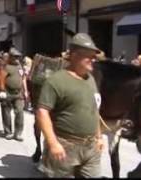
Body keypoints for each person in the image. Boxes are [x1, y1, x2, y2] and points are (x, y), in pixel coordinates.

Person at [36, 33, 104, 178]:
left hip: (91, 148)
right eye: (89, 56)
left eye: (94, 57)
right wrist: (53, 143)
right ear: (74, 55)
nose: (93, 60)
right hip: (65, 147)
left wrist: (99, 137)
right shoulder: (56, 81)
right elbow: (42, 112)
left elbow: (94, 109)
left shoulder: (90, 79)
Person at [0, 48, 29, 141]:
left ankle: (18, 133)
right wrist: (2, 91)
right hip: (7, 93)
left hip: (18, 93)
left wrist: (25, 91)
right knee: (6, 113)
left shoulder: (20, 66)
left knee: (20, 112)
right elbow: (0, 79)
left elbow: (23, 78)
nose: (17, 59)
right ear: (10, 57)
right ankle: (8, 132)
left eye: (18, 57)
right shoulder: (5, 66)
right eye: (15, 57)